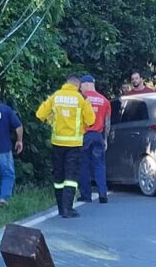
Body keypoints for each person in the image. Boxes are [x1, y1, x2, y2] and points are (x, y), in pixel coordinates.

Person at [34, 73, 93, 217]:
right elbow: (91, 120)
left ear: (66, 83)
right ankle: (68, 209)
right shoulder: (81, 99)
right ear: (78, 85)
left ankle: (61, 208)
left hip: (57, 142)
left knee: (59, 177)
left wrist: (51, 121)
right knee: (71, 177)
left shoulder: (55, 97)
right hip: (74, 143)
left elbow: (39, 114)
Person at [79, 76, 113, 204]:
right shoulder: (104, 100)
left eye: (81, 85)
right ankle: (102, 194)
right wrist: (105, 139)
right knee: (99, 165)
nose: (80, 88)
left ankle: (86, 195)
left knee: (84, 165)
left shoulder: (81, 99)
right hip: (98, 135)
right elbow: (107, 123)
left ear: (86, 85)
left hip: (84, 136)